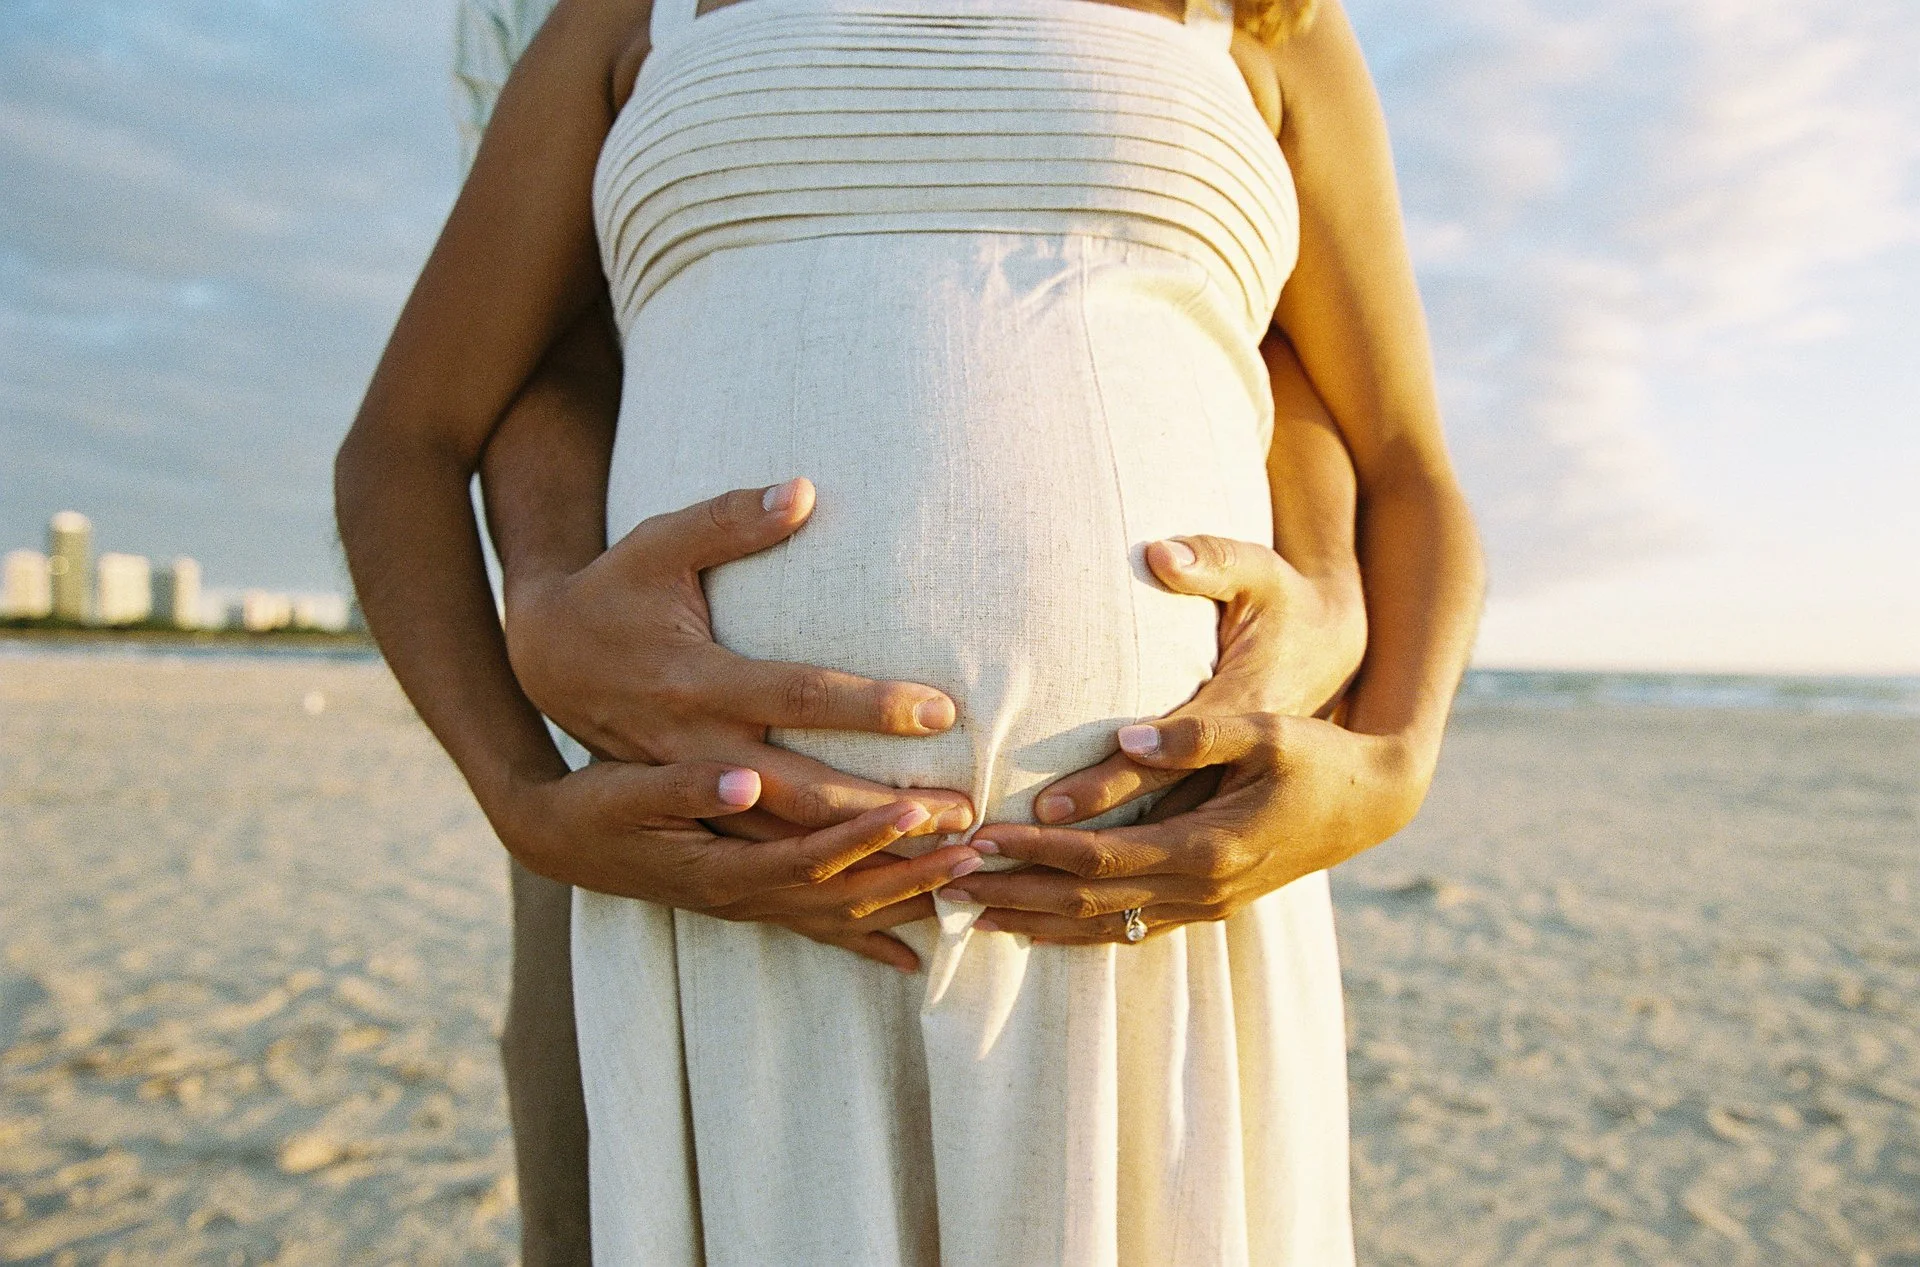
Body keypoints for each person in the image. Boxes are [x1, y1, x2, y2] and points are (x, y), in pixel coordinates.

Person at [339, 0, 1484, 1259]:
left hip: (1159, 898)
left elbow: (1401, 459)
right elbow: (413, 441)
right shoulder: (624, 19)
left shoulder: (1264, 23)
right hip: (726, 898)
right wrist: (520, 792)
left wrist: (1388, 768)